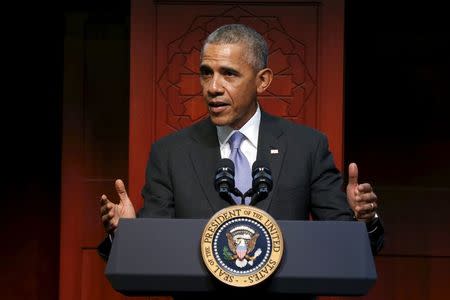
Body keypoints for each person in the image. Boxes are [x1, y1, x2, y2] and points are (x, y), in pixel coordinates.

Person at [98, 23, 383, 263]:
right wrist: (127, 233)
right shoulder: (170, 153)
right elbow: (151, 253)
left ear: (263, 81)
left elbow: (354, 251)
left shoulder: (307, 147)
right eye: (206, 73)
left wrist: (361, 223)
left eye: (229, 74)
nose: (213, 87)